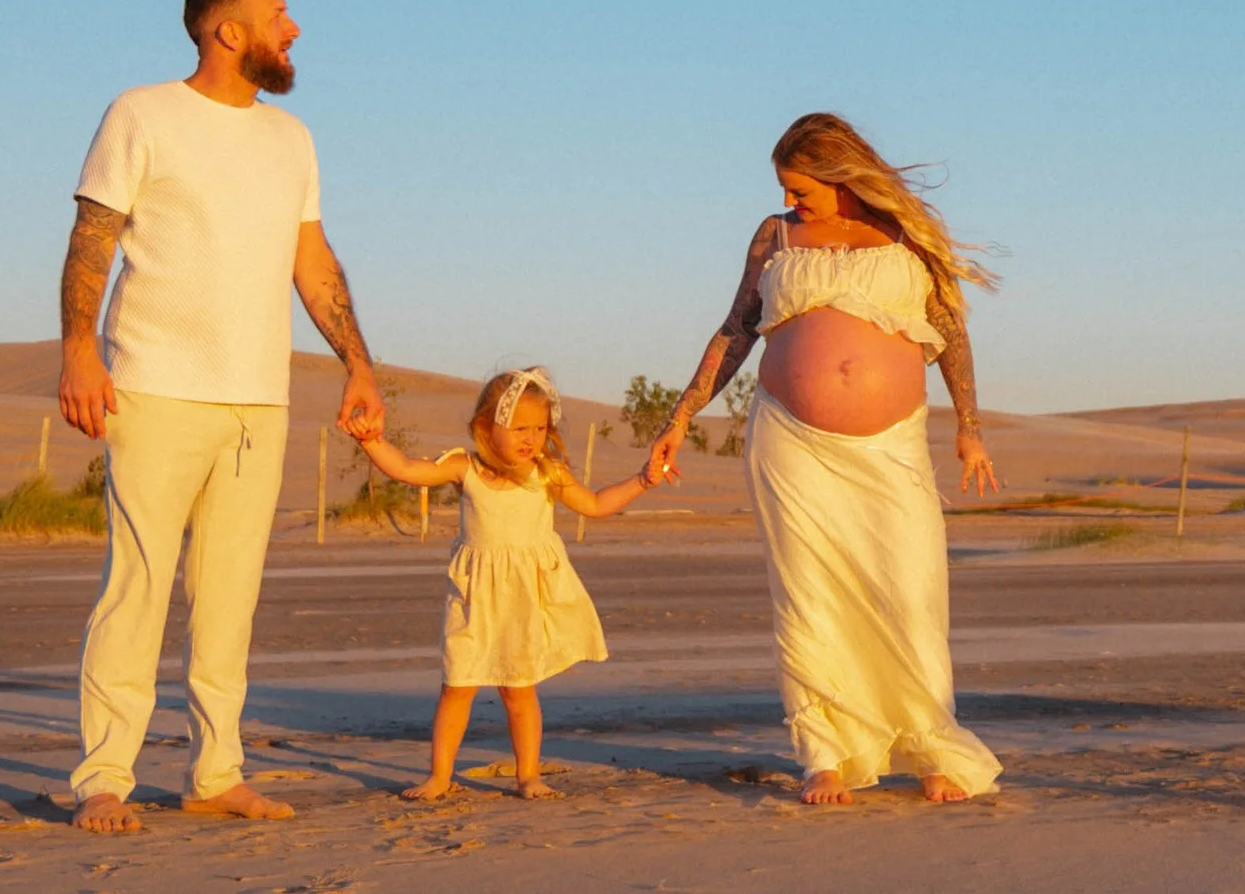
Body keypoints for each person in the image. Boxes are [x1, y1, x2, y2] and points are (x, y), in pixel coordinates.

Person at [58, 0, 386, 835]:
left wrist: (358, 361)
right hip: (156, 385)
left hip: (257, 399)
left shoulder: (293, 138)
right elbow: (92, 235)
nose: (295, 28)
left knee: (229, 595)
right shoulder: (142, 114)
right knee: (137, 585)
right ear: (227, 31)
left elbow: (310, 260)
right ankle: (105, 776)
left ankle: (215, 771)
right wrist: (76, 352)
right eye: (278, 13)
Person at [647, 112, 1004, 805]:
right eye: (785, 189)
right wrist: (680, 415)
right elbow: (736, 329)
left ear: (841, 176)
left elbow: (952, 332)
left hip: (890, 444)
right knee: (808, 596)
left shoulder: (908, 235)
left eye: (800, 188)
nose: (790, 201)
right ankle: (825, 754)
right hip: (791, 442)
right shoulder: (775, 236)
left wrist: (969, 425)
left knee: (911, 588)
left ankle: (931, 743)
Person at [357, 367, 654, 800]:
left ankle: (528, 775)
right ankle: (440, 776)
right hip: (473, 599)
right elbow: (406, 469)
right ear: (486, 426)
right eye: (518, 428)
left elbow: (594, 503)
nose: (530, 437)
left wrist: (643, 480)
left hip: (522, 599)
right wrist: (370, 441)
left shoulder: (545, 472)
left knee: (519, 690)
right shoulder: (467, 468)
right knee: (456, 686)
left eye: (538, 427)